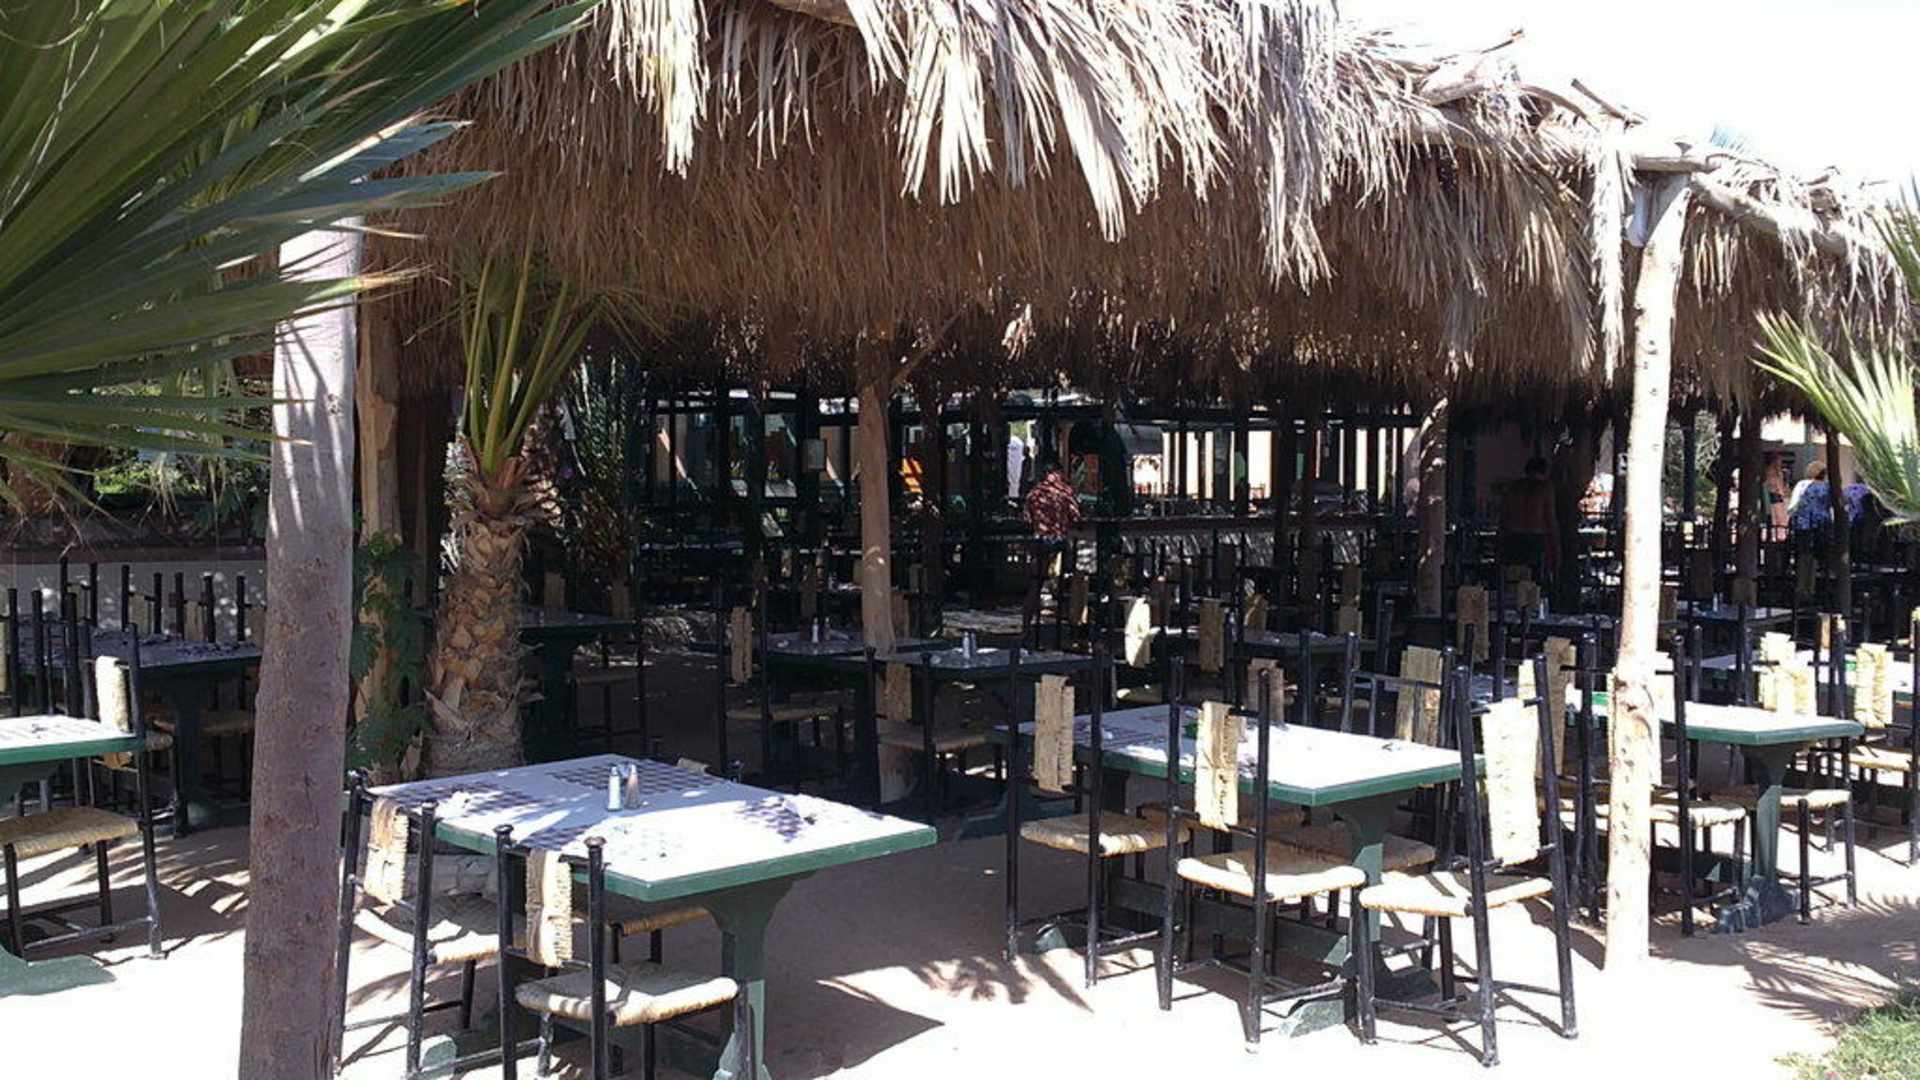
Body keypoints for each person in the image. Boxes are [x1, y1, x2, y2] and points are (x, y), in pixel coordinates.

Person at [1499, 456, 1559, 582]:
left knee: (1514, 580)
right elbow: (1550, 520)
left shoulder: (1514, 488)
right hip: (1535, 539)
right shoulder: (1545, 488)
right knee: (1535, 582)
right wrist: (1556, 551)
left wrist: (1500, 544)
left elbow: (1504, 517)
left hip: (1513, 538)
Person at [1024, 459, 1081, 576]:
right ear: (1056, 473)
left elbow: (1026, 518)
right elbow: (1075, 516)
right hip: (1058, 539)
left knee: (1040, 558)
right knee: (1073, 548)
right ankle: (1064, 577)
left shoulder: (1033, 493)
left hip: (1038, 540)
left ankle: (1040, 578)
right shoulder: (1064, 491)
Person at [1762, 452, 1791, 535]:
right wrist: (1783, 493)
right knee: (1781, 517)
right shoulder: (1773, 473)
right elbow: (1776, 486)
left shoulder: (1777, 472)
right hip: (1776, 497)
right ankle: (1781, 534)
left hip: (1777, 497)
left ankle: (1780, 533)